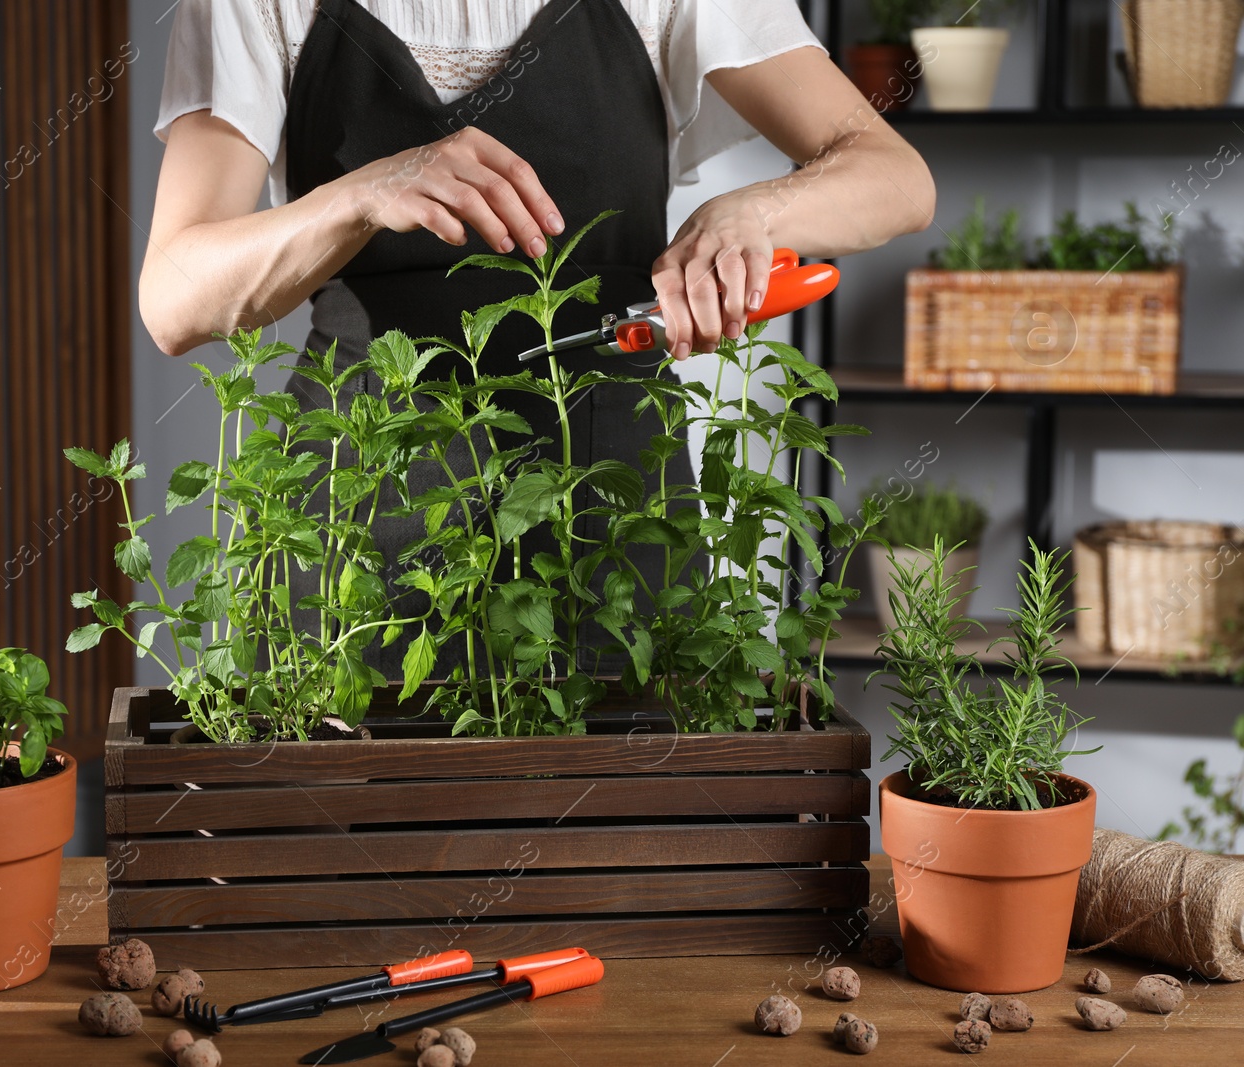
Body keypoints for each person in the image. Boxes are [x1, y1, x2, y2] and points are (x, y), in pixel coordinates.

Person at [141, 0, 934, 676]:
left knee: (628, 839)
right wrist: (358, 196)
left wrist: (754, 211)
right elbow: (175, 300)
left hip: (619, 520)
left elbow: (894, 176)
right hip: (355, 515)